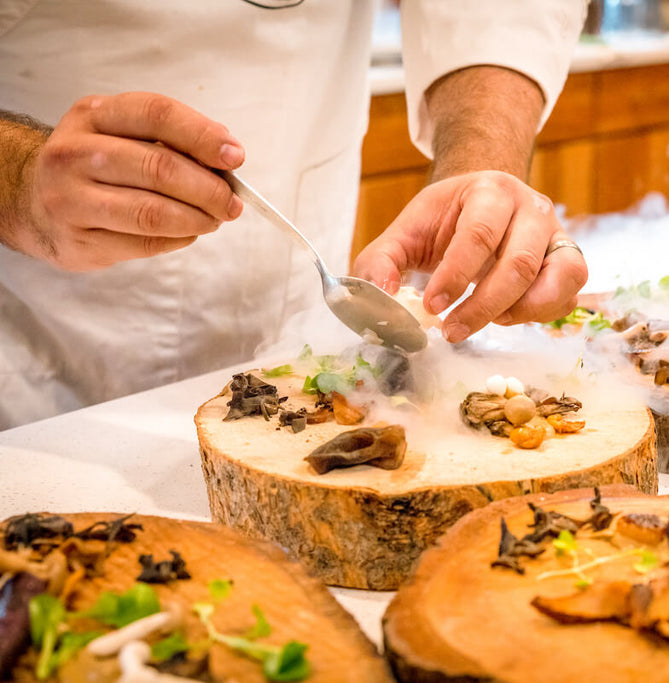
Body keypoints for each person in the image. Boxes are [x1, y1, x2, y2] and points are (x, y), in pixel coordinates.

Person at [0, 1, 589, 429]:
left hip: (296, 317)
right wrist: (20, 179)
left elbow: (497, 15)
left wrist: (480, 166)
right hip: (44, 376)